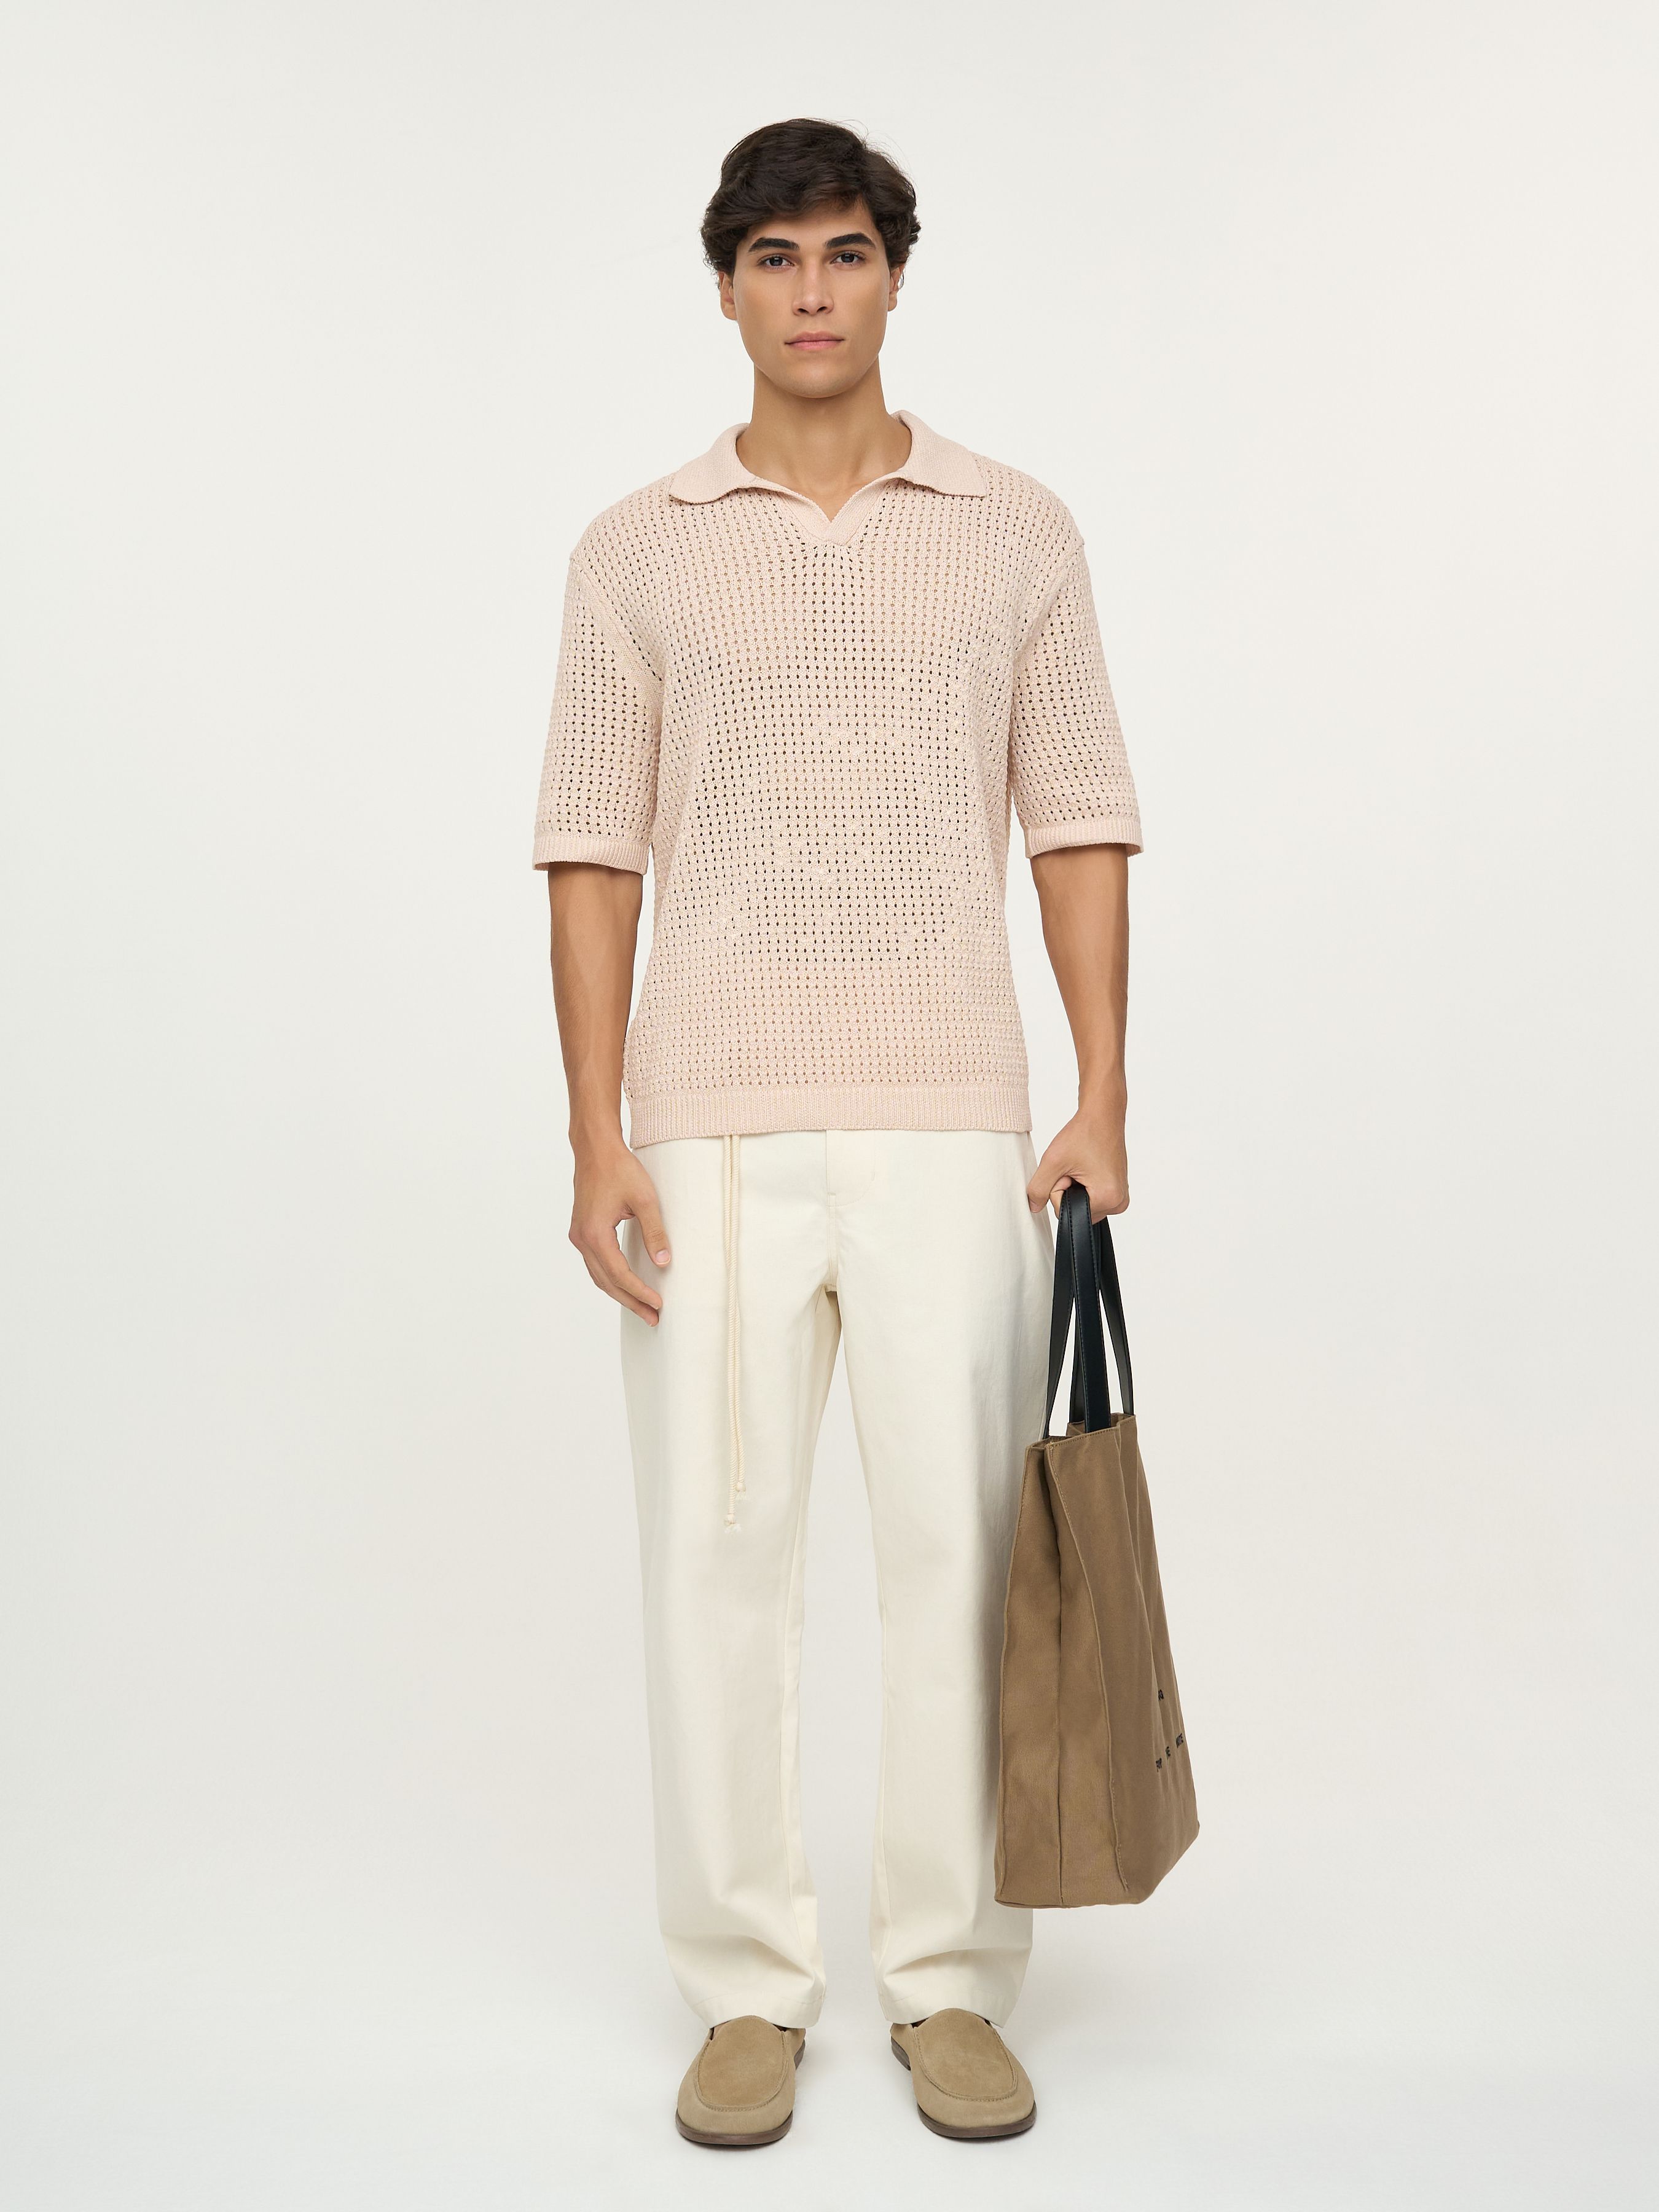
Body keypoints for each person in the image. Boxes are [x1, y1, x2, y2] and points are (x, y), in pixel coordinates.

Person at [533, 116, 1142, 2148]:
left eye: (848, 252)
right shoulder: (635, 548)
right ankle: (743, 1993)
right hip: (702, 1126)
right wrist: (594, 1134)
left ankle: (949, 1983)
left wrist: (1100, 1089)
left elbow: (1076, 813)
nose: (813, 290)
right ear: (724, 288)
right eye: (776, 256)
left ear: (894, 275)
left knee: (961, 1562)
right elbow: (591, 848)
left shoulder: (1015, 528)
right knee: (711, 1563)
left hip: (950, 1119)